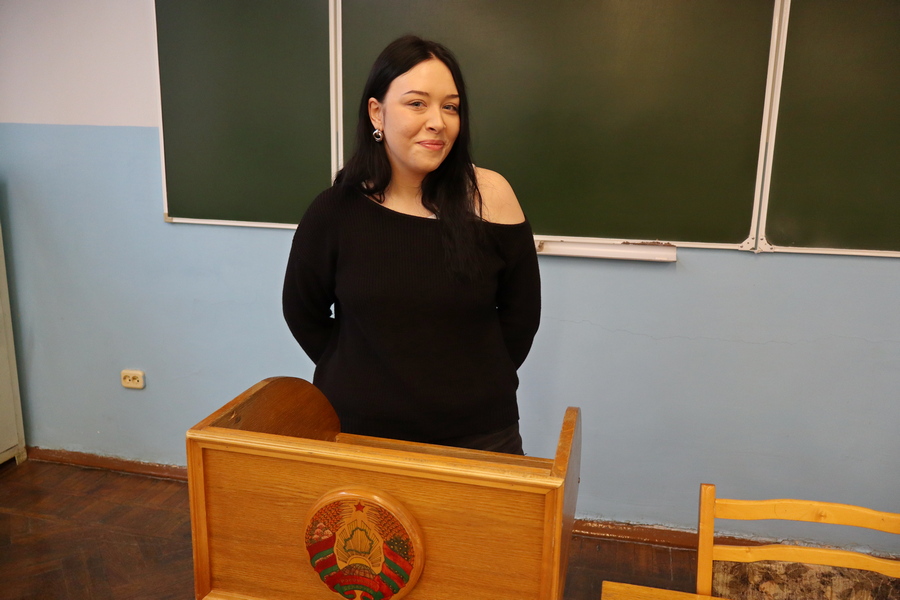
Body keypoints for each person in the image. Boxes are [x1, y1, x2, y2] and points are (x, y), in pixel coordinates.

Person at [282, 35, 540, 454]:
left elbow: (521, 316)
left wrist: (471, 387)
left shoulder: (491, 195)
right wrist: (360, 377)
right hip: (359, 432)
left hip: (480, 435)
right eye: (417, 103)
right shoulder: (335, 210)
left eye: (450, 107)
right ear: (377, 113)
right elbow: (302, 311)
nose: (438, 121)